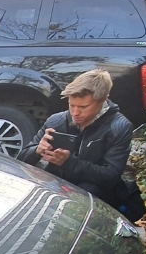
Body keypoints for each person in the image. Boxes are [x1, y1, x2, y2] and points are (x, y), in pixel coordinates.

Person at [18, 69, 134, 203]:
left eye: (83, 107)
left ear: (103, 100)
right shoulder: (56, 121)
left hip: (93, 195)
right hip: (53, 185)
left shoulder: (119, 127)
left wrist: (68, 163)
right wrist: (37, 150)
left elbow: (111, 177)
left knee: (89, 191)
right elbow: (20, 161)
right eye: (71, 105)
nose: (75, 112)